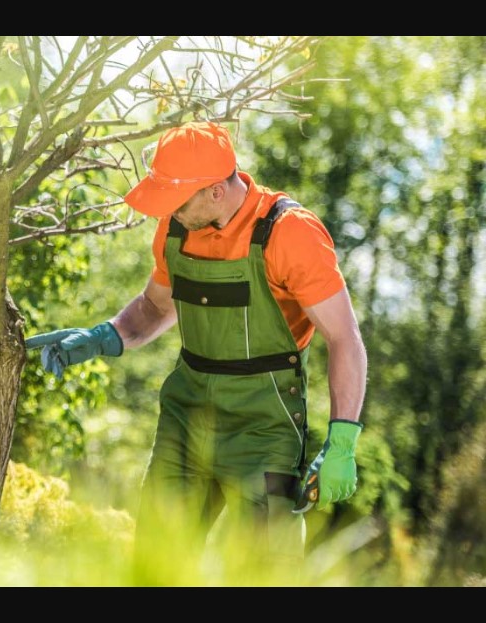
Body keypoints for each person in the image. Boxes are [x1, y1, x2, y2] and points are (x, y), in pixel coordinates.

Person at [25, 121, 367, 583]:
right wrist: (103, 337)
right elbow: (153, 306)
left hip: (263, 429)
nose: (165, 212)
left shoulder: (289, 233)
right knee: (155, 567)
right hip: (186, 419)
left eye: (175, 200)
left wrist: (342, 441)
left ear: (215, 194)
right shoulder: (177, 229)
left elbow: (344, 337)